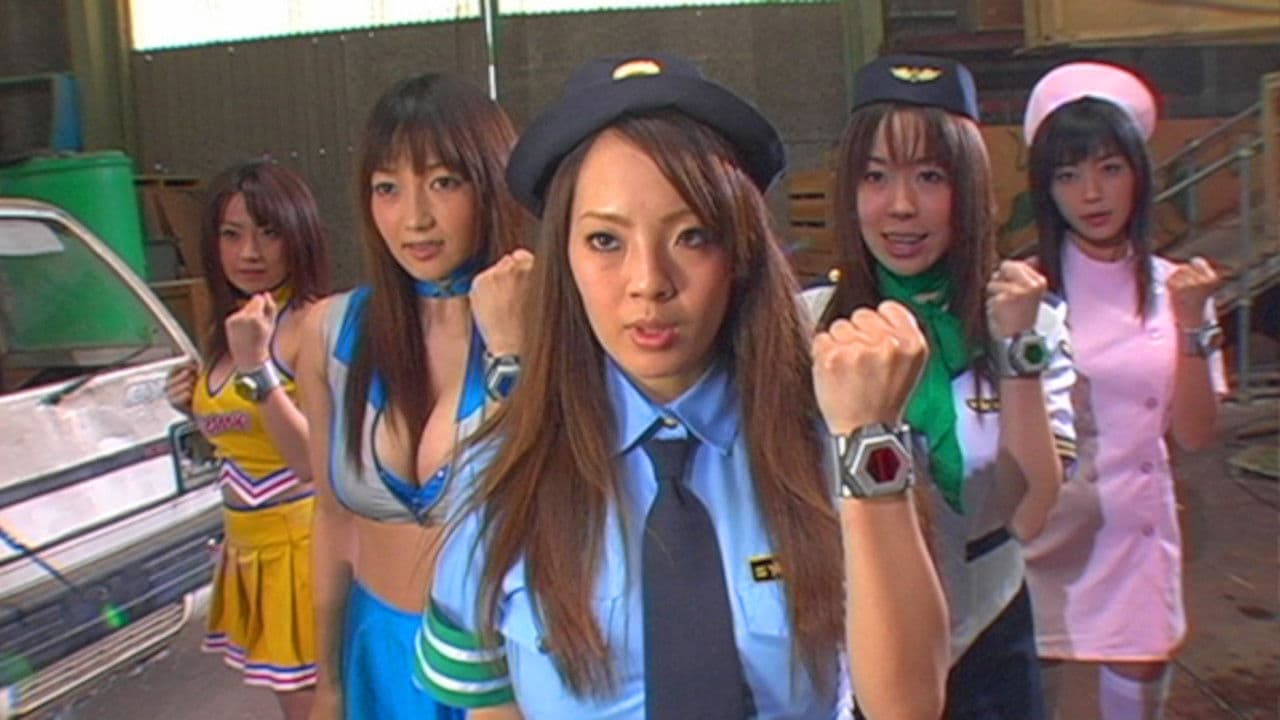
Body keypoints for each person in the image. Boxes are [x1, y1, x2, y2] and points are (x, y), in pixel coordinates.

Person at [414, 52, 949, 720]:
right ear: (562, 260)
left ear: (741, 252)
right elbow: (488, 703)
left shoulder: (834, 438)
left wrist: (868, 441)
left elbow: (908, 707)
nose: (649, 282)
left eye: (692, 236)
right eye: (605, 241)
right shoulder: (502, 467)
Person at [803, 54, 1078, 720]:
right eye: (876, 176)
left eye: (931, 176)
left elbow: (1029, 515)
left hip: (990, 634)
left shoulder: (1031, 320)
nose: (901, 205)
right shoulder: (805, 326)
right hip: (852, 639)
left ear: (971, 185)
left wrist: (1015, 352)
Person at [294, 73, 530, 720]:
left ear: (491, 182)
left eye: (444, 182)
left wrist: (516, 349)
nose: (414, 217)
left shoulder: (547, 324)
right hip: (377, 653)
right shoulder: (331, 332)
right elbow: (333, 520)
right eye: (387, 188)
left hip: (508, 666)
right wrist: (327, 684)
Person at [1020, 61, 1227, 720]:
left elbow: (1194, 434)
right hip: (1039, 532)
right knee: (1028, 687)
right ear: (1045, 188)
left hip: (1135, 530)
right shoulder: (1021, 291)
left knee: (1137, 682)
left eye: (1110, 168)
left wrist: (1191, 323)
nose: (1091, 193)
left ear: (1139, 172)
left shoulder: (1179, 287)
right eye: (1067, 175)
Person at [165, 158, 330, 720]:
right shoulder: (232, 323)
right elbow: (244, 440)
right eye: (231, 235)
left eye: (269, 232)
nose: (249, 253)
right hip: (249, 550)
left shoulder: (313, 323)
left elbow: (311, 460)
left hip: (304, 551)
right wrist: (193, 403)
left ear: (299, 234)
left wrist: (256, 369)